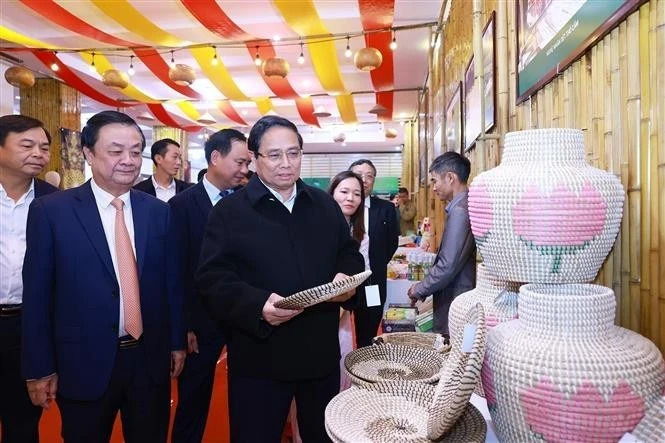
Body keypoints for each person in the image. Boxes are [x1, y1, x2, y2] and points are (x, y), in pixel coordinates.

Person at [196, 115, 364, 442]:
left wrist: (347, 277)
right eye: (274, 155)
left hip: (319, 355)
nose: (285, 164)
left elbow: (349, 252)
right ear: (254, 160)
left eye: (294, 153)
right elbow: (212, 278)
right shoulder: (230, 212)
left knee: (323, 435)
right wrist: (258, 304)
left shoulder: (323, 205)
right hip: (260, 358)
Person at [21, 111, 186, 443]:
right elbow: (37, 296)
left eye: (135, 151)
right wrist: (39, 367)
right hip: (83, 361)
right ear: (88, 153)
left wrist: (176, 341)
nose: (128, 160)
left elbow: (171, 283)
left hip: (147, 359)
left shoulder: (158, 211)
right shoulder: (52, 212)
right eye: (115, 151)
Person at [169, 129, 251, 443]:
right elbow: (176, 270)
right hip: (200, 323)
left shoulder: (249, 201)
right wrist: (184, 326)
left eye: (248, 163)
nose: (245, 170)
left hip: (244, 316)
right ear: (215, 158)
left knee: (247, 396)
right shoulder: (182, 206)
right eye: (239, 162)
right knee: (194, 398)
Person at [0, 115, 58, 443]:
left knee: (22, 421)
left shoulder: (55, 202)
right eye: (27, 145)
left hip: (28, 326)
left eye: (44, 147)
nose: (38, 152)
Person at [407, 152, 476, 336]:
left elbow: (447, 265)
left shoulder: (460, 211)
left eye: (434, 181)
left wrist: (419, 289)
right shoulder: (461, 206)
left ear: (450, 177)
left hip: (457, 298)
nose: (434, 187)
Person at [348, 159, 399, 347]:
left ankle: (363, 370)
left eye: (369, 176)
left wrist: (374, 264)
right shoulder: (339, 206)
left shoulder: (386, 209)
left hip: (372, 282)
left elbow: (391, 243)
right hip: (342, 281)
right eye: (359, 175)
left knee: (368, 331)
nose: (364, 180)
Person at [327, 170, 365, 391]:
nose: (350, 198)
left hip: (344, 308)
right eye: (344, 191)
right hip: (321, 310)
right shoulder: (320, 227)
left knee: (342, 362)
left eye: (357, 194)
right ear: (331, 193)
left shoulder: (360, 231)